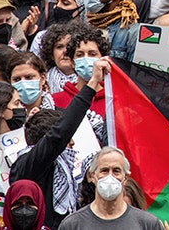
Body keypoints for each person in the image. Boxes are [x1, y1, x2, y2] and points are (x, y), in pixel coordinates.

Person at [11, 58, 109, 227]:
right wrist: (92, 84)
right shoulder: (28, 164)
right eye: (67, 141)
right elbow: (60, 133)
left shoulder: (63, 166)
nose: (71, 143)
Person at [58, 147, 164, 229]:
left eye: (116, 171)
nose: (110, 176)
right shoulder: (72, 225)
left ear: (125, 177)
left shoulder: (148, 224)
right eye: (104, 170)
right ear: (92, 176)